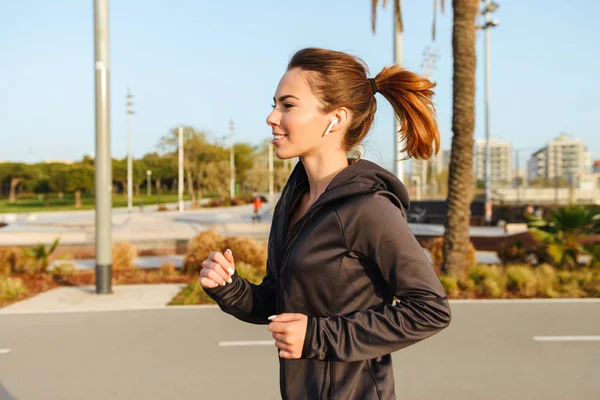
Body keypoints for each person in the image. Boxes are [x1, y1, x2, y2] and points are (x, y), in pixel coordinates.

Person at [200, 48, 451, 399]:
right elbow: (280, 302)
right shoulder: (293, 201)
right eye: (274, 104)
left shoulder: (368, 208)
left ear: (335, 119)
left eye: (287, 105)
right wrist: (230, 288)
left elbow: (430, 309)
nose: (271, 117)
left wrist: (317, 336)